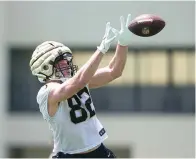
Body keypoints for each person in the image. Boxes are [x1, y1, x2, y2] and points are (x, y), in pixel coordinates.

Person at [29, 14, 132, 158]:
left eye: (67, 60)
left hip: (98, 151)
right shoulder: (47, 92)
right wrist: (101, 50)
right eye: (61, 61)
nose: (67, 64)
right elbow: (78, 83)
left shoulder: (75, 81)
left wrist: (123, 43)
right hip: (69, 155)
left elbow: (114, 71)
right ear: (45, 67)